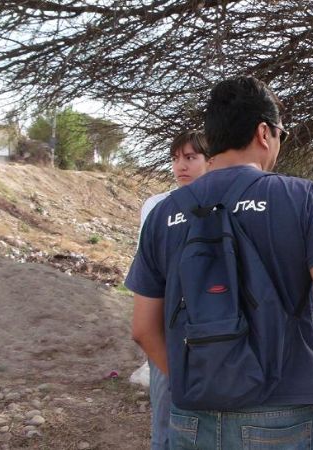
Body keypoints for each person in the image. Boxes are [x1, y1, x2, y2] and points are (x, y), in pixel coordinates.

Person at [125, 75, 313, 450]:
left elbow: (143, 328)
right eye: (281, 134)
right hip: (282, 413)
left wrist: (189, 381)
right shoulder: (299, 197)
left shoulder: (164, 214)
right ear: (263, 132)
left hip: (191, 418)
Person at [137, 130, 210, 450]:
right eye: (176, 158)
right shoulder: (157, 205)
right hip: (168, 320)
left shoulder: (221, 201)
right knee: (166, 412)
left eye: (191, 157)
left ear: (210, 160)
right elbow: (150, 266)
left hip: (213, 323)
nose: (182, 165)